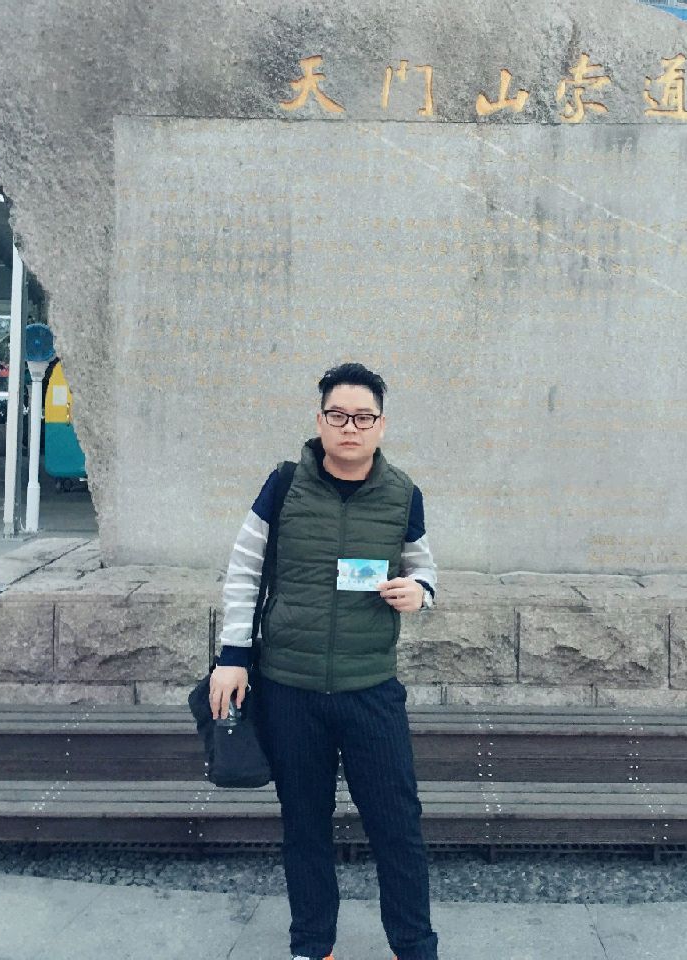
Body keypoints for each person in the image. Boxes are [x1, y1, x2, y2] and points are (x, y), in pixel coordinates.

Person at [209, 362, 440, 960]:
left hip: (370, 688)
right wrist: (232, 656)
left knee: (397, 826)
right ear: (320, 421)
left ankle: (415, 948)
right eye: (338, 415)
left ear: (381, 426)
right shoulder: (283, 485)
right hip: (291, 688)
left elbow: (424, 568)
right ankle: (312, 946)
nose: (350, 427)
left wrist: (420, 592)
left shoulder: (403, 494)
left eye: (363, 417)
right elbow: (243, 570)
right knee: (304, 825)